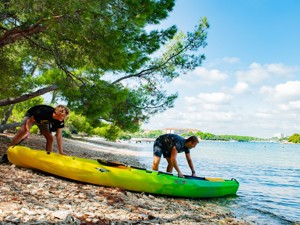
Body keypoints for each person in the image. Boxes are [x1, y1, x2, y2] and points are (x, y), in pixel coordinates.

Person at [1, 104, 69, 163]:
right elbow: (30, 121)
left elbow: (59, 136)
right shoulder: (44, 112)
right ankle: (7, 153)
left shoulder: (60, 120)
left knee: (50, 138)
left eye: (65, 116)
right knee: (23, 131)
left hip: (44, 121)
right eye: (63, 116)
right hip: (32, 116)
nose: (64, 118)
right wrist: (28, 132)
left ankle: (48, 158)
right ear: (57, 113)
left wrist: (61, 151)